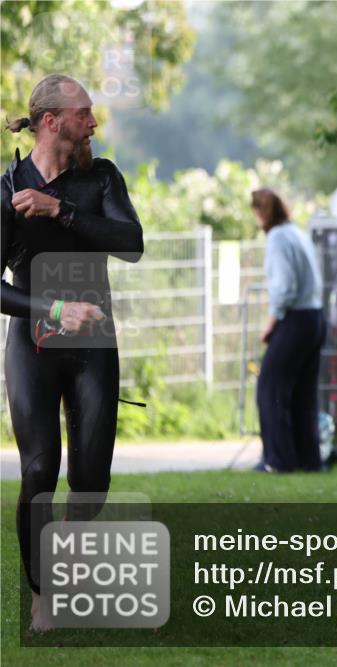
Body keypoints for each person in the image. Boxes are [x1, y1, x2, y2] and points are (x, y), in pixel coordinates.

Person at [1, 74, 144, 631]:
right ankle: (43, 594)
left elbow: (130, 243)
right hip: (34, 346)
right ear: (51, 121)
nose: (94, 121)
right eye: (84, 112)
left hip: (93, 349)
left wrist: (58, 209)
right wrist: (56, 311)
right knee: (40, 469)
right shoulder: (9, 186)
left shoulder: (100, 177)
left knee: (91, 482)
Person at [251, 188, 325, 472]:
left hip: (295, 318)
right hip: (315, 317)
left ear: (260, 212)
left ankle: (278, 461)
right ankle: (309, 461)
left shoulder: (277, 237)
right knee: (303, 394)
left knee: (270, 388)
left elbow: (285, 286)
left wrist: (272, 321)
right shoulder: (296, 232)